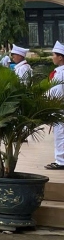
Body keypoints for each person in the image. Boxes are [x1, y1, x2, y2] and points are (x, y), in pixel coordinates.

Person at [46, 41, 64, 171]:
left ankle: (61, 161)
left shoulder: (60, 73)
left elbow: (56, 92)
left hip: (60, 108)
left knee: (60, 135)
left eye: (54, 55)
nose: (53, 57)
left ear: (60, 57)